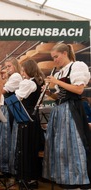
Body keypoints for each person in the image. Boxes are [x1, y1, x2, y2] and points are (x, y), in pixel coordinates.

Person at [42, 43, 91, 189]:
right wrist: (48, 93)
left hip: (72, 109)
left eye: (56, 57)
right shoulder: (60, 72)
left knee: (74, 145)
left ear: (65, 53)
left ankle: (80, 180)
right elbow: (59, 96)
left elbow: (78, 89)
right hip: (60, 110)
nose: (55, 60)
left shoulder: (77, 66)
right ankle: (66, 178)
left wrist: (56, 82)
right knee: (61, 147)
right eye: (53, 58)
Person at [12, 59, 45, 188]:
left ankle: (26, 177)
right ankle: (30, 178)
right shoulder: (36, 82)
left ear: (27, 70)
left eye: (22, 70)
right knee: (30, 148)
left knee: (26, 148)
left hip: (27, 117)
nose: (22, 73)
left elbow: (18, 97)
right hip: (31, 117)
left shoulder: (29, 83)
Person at [0, 57, 22, 175]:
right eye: (6, 66)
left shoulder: (16, 77)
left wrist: (0, 79)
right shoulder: (11, 77)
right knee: (1, 138)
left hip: (10, 110)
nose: (7, 69)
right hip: (5, 108)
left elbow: (2, 91)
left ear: (15, 66)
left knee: (5, 138)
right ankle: (1, 165)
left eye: (9, 66)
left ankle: (6, 167)